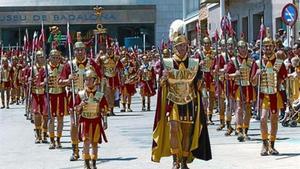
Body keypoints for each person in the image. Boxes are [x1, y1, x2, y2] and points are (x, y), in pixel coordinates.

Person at [152, 19, 211, 169]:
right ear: (174, 47)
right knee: (173, 128)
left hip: (189, 101)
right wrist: (163, 78)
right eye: (179, 46)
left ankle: (184, 161)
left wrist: (202, 79)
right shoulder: (167, 63)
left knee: (186, 132)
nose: (182, 48)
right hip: (173, 102)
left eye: (184, 45)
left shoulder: (195, 63)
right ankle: (174, 159)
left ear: (187, 46)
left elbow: (198, 86)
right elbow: (160, 86)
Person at [59, 32, 102, 161]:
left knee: (89, 123)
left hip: (90, 98)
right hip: (75, 97)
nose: (79, 52)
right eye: (77, 50)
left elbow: (100, 79)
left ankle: (87, 149)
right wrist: (68, 80)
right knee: (74, 124)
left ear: (85, 50)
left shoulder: (92, 63)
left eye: (82, 50)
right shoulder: (69, 65)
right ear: (74, 51)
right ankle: (75, 150)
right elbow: (59, 81)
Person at [251, 28, 287, 156]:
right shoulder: (258, 62)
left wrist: (278, 80)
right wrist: (257, 74)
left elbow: (284, 77)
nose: (267, 49)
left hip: (275, 94)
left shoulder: (278, 62)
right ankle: (264, 143)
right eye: (265, 47)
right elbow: (253, 82)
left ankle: (272, 145)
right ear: (262, 48)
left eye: (269, 46)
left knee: (274, 119)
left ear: (273, 47)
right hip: (263, 95)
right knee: (262, 119)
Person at [74, 69, 108, 169]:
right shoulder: (80, 94)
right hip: (85, 120)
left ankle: (94, 162)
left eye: (90, 79)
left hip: (96, 120)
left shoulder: (100, 95)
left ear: (94, 81)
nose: (87, 81)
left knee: (94, 143)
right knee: (86, 142)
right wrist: (81, 105)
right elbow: (75, 109)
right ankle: (86, 162)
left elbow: (105, 109)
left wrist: (105, 121)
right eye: (86, 79)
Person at [226, 37, 255, 142]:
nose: (243, 49)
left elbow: (255, 75)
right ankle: (239, 129)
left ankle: (245, 130)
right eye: (241, 47)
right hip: (238, 87)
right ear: (237, 49)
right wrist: (235, 74)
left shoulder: (252, 61)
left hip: (248, 87)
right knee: (238, 108)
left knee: (248, 109)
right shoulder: (233, 61)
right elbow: (227, 75)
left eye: (244, 47)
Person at [47, 49, 67, 149]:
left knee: (60, 118)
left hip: (61, 94)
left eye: (57, 57)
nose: (55, 59)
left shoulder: (63, 67)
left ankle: (58, 139)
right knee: (51, 119)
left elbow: (68, 81)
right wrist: (44, 82)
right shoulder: (45, 68)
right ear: (49, 57)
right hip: (50, 95)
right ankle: (51, 140)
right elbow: (39, 82)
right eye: (53, 57)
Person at [30, 50, 48, 144]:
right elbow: (24, 79)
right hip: (35, 93)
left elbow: (47, 79)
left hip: (44, 93)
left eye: (43, 56)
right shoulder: (32, 68)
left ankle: (44, 134)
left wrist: (44, 82)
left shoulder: (46, 68)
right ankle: (38, 134)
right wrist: (28, 80)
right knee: (36, 114)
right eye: (40, 56)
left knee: (45, 114)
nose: (42, 58)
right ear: (36, 57)